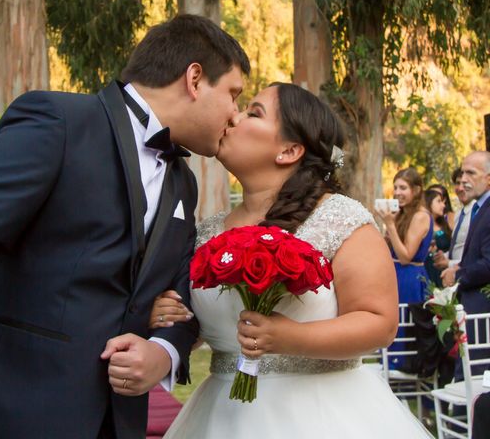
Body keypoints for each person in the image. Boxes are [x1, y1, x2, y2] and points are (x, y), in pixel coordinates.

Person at [0, 14, 250, 439]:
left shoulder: (184, 183)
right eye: (233, 94)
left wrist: (163, 351)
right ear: (194, 79)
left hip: (118, 421)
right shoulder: (59, 121)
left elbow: (181, 294)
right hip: (12, 412)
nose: (235, 115)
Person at [151, 83, 431, 438]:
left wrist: (292, 337)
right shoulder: (206, 231)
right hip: (222, 416)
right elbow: (203, 327)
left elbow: (379, 322)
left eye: (253, 112)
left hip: (323, 416)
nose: (233, 117)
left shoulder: (340, 219)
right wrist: (170, 317)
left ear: (289, 150)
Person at [441, 151, 490, 375]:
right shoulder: (478, 209)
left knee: (477, 378)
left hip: (482, 311)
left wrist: (457, 275)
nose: (463, 179)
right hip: (470, 307)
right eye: (462, 172)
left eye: (471, 173)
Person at [377, 168, 433, 304]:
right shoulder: (401, 214)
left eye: (403, 188)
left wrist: (390, 225)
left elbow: (405, 257)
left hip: (409, 278)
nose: (397, 193)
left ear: (416, 190)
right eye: (395, 188)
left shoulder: (420, 216)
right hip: (395, 274)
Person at [433, 168, 476, 272]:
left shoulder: (477, 213)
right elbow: (458, 247)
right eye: (457, 183)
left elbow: (475, 254)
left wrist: (449, 263)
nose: (461, 188)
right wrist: (444, 256)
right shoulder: (459, 214)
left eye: (465, 183)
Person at [424, 188, 451, 287]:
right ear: (428, 202)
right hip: (428, 272)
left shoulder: (444, 225)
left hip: (444, 272)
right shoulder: (421, 226)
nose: (443, 205)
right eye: (439, 201)